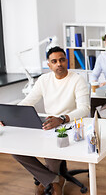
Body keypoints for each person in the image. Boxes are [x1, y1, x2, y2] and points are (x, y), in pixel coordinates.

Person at [1, 46, 90, 195]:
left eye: (62, 60)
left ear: (66, 61)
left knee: (51, 154)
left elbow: (84, 109)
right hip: (48, 124)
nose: (59, 64)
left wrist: (62, 119)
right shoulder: (44, 79)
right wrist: (9, 115)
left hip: (69, 124)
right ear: (49, 65)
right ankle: (53, 179)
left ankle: (48, 182)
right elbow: (28, 101)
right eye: (54, 61)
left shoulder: (77, 80)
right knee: (16, 151)